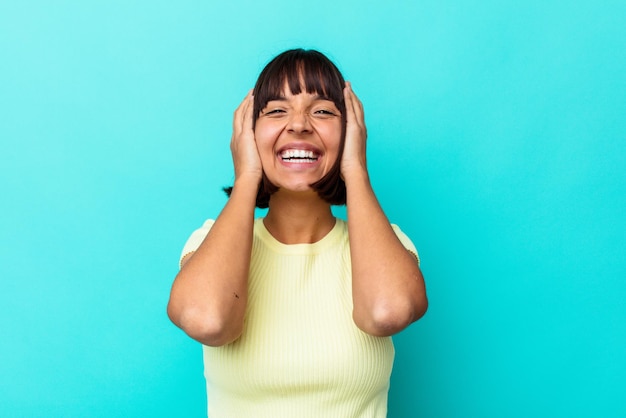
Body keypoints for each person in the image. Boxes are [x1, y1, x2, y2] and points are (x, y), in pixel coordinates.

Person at [167, 48, 428, 417]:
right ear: (248, 134)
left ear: (351, 132)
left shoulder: (388, 244)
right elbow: (208, 320)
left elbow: (386, 313)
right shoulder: (208, 243)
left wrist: (355, 170)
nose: (300, 124)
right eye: (276, 111)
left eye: (322, 111)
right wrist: (246, 178)